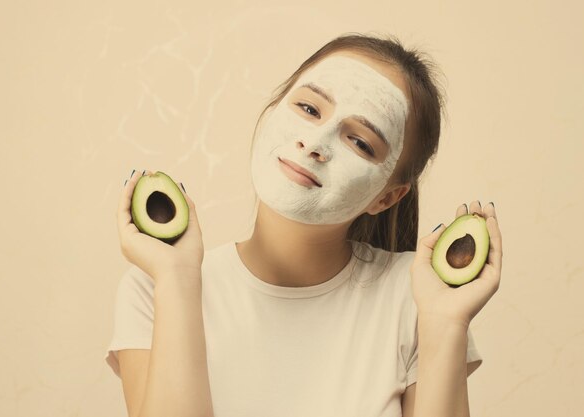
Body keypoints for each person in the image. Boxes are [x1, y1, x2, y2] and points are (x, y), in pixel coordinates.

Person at [106, 32, 503, 417]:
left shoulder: (418, 298)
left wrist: (445, 323)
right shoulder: (154, 287)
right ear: (271, 111)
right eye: (310, 109)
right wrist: (176, 279)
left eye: (360, 142)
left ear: (386, 196)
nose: (315, 142)